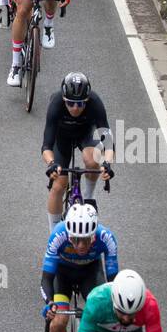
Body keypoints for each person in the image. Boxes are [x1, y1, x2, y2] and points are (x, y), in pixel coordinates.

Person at [41, 201, 119, 332]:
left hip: (90, 274)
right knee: (59, 321)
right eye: (76, 239)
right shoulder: (58, 235)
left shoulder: (107, 238)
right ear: (68, 234)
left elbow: (113, 282)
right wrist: (49, 303)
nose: (81, 245)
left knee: (103, 313)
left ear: (94, 234)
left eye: (86, 239)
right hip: (63, 276)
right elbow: (46, 279)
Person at [41, 70, 114, 230]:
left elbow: (108, 142)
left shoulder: (95, 102)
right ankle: (54, 233)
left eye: (80, 103)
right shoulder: (56, 103)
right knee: (59, 185)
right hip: (62, 137)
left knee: (92, 159)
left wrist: (107, 164)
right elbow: (46, 146)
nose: (75, 108)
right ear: (64, 99)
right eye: (70, 103)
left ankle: (89, 197)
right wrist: (51, 164)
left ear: (87, 100)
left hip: (86, 133)